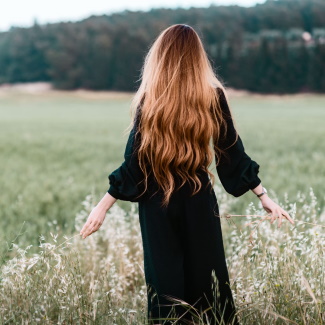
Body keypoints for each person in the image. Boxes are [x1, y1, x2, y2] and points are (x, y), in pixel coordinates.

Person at [79, 24, 294, 325]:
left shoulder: (150, 100)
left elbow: (134, 164)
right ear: (198, 57)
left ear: (160, 57)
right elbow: (232, 154)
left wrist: (101, 207)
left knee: (165, 290)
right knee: (208, 288)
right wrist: (264, 197)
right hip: (198, 199)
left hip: (156, 202)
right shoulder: (212, 95)